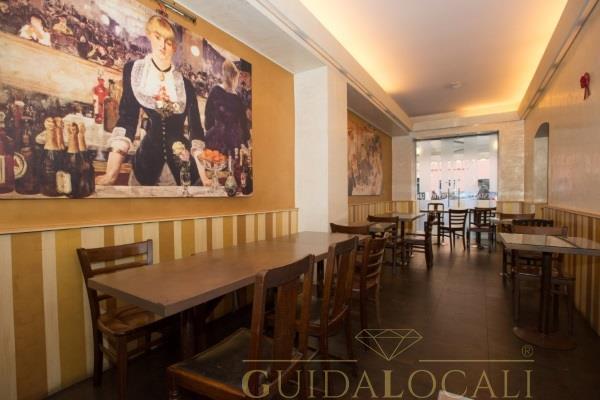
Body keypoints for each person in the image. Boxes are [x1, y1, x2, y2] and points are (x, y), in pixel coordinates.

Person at [95, 15, 208, 186]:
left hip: (182, 171)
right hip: (145, 165)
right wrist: (112, 173)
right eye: (157, 37)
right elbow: (127, 121)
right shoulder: (135, 71)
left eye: (168, 42)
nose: (162, 46)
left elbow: (196, 132)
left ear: (174, 47)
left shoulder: (186, 85)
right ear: (149, 36)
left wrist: (204, 176)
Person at [203, 60, 250, 156]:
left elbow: (208, 119)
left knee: (214, 161)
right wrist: (245, 140)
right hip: (233, 142)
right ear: (234, 77)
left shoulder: (215, 91)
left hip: (214, 140)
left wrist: (212, 129)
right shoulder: (238, 98)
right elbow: (243, 124)